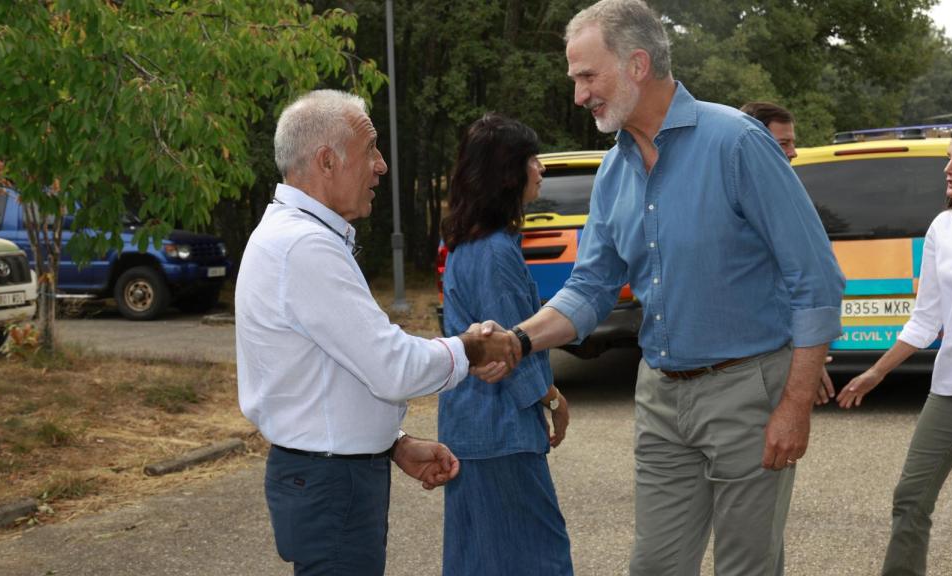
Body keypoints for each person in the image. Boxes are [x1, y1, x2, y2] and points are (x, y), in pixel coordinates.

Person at [497, 1, 846, 574]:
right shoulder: (614, 170)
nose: (580, 95)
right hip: (660, 395)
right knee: (655, 565)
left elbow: (815, 279)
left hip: (747, 391)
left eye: (588, 76)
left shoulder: (737, 143)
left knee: (746, 566)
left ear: (637, 64)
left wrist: (794, 402)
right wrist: (516, 341)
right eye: (576, 80)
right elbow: (591, 287)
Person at [235, 89, 520, 576]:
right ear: (327, 161)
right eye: (371, 150)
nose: (382, 166)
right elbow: (392, 367)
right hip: (331, 482)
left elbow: (334, 374)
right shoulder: (304, 247)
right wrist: (470, 348)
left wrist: (394, 441)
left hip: (327, 476)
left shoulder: (296, 237)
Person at [836, 118, 952, 575]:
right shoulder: (941, 229)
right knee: (910, 497)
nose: (948, 167)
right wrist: (876, 371)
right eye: (949, 157)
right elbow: (927, 316)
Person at [438, 114, 574, 576]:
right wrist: (551, 398)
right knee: (540, 557)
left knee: (480, 559)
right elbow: (511, 349)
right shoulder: (496, 251)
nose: (540, 168)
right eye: (531, 159)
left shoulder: (464, 245)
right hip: (500, 435)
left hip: (471, 431)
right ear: (507, 173)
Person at [741, 100, 838, 404]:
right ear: (755, 142)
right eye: (784, 143)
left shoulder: (781, 191)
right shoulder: (737, 201)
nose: (794, 152)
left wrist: (804, 358)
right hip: (747, 364)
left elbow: (799, 282)